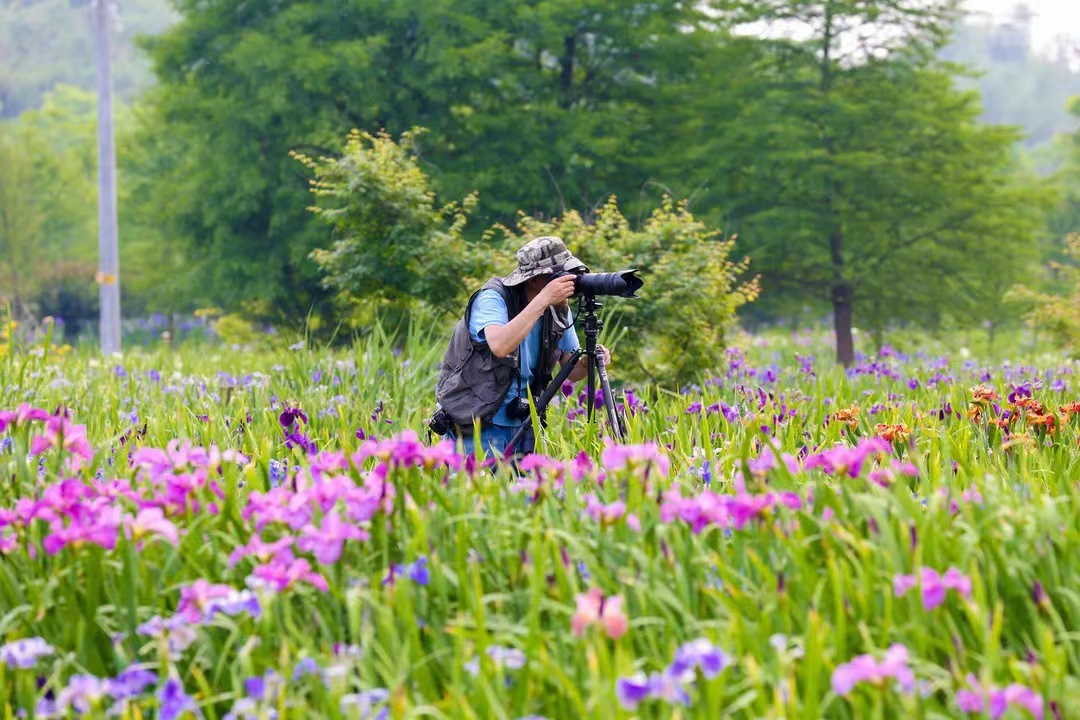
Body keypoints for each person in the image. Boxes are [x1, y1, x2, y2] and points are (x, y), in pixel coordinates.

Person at [432, 236, 611, 457]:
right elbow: (499, 345)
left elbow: (572, 372)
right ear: (537, 279)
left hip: (525, 423)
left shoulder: (556, 308)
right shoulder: (493, 297)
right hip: (477, 422)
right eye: (561, 276)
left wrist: (588, 362)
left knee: (522, 492)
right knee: (478, 490)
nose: (569, 282)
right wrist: (543, 300)